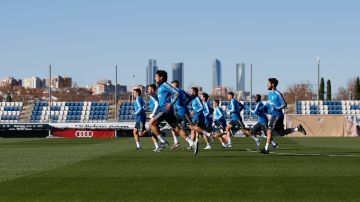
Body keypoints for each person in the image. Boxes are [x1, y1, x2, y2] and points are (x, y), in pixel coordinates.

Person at [259, 78, 307, 154]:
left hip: (277, 115)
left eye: (268, 83)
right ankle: (297, 129)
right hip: (275, 115)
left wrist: (278, 108)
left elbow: (284, 104)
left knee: (269, 131)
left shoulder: (278, 94)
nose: (267, 85)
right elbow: (269, 104)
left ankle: (266, 149)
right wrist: (264, 107)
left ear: (273, 84)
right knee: (281, 133)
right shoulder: (270, 94)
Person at [149, 70, 186, 150]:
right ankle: (192, 143)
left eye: (156, 76)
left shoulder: (165, 85)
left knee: (151, 124)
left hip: (165, 110)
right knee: (176, 128)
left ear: (161, 77)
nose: (155, 78)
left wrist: (170, 103)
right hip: (165, 110)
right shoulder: (160, 87)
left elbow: (176, 92)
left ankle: (163, 141)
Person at [170, 80, 194, 150]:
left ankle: (207, 134)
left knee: (191, 127)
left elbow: (181, 101)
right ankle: (176, 141)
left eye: (172, 85)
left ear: (175, 85)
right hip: (178, 113)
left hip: (183, 112)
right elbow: (190, 98)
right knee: (172, 126)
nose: (171, 87)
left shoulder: (177, 92)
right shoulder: (181, 91)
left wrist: (181, 104)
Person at [189, 87, 212, 156]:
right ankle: (194, 143)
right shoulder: (193, 99)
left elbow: (201, 107)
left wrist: (194, 111)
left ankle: (193, 144)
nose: (190, 92)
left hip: (198, 117)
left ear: (194, 92)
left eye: (191, 91)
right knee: (195, 131)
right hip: (197, 117)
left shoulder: (197, 98)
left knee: (194, 129)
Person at [147, 84, 163, 152]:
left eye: (149, 89)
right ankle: (158, 146)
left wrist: (153, 114)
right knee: (152, 131)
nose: (147, 90)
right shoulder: (153, 96)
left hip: (156, 115)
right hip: (155, 115)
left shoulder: (153, 96)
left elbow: (157, 104)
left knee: (152, 128)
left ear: (153, 90)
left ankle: (163, 141)